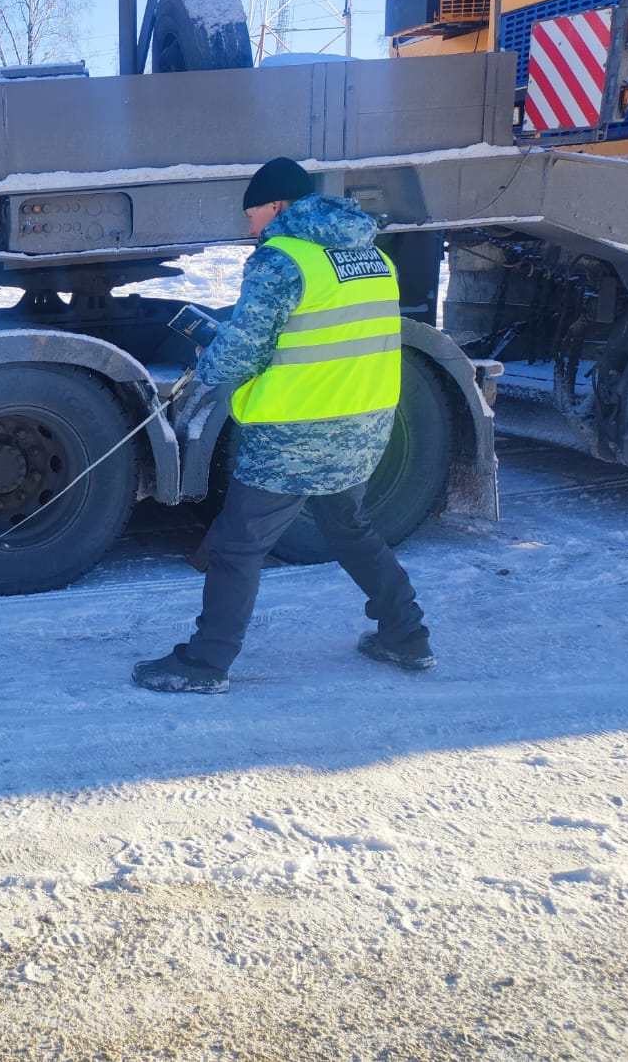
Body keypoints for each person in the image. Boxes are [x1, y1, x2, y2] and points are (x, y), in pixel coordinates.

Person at [132, 156, 435, 695]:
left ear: (276, 206)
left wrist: (204, 370)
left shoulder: (282, 259)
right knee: (350, 529)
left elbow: (244, 349)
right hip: (362, 423)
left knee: (236, 545)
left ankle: (205, 663)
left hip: (293, 433)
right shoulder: (370, 257)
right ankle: (407, 636)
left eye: (251, 214)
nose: (249, 227)